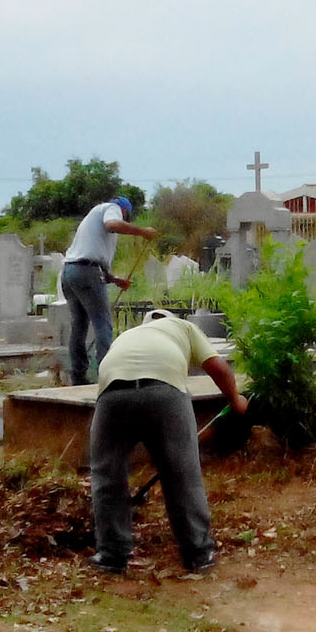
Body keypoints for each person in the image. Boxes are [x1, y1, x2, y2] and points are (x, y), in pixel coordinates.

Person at [87, 309, 247, 574]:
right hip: (165, 392)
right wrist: (236, 401)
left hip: (112, 394)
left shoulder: (127, 335)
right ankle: (199, 553)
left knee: (107, 475)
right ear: (171, 320)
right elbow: (218, 367)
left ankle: (111, 554)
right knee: (182, 472)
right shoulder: (184, 327)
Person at [61, 196, 158, 386]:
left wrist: (113, 279)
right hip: (87, 272)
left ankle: (78, 377)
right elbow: (112, 224)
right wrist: (142, 232)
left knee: (79, 327)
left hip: (69, 272)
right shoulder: (111, 208)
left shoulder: (92, 217)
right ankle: (108, 378)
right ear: (124, 211)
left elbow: (88, 254)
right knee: (103, 324)